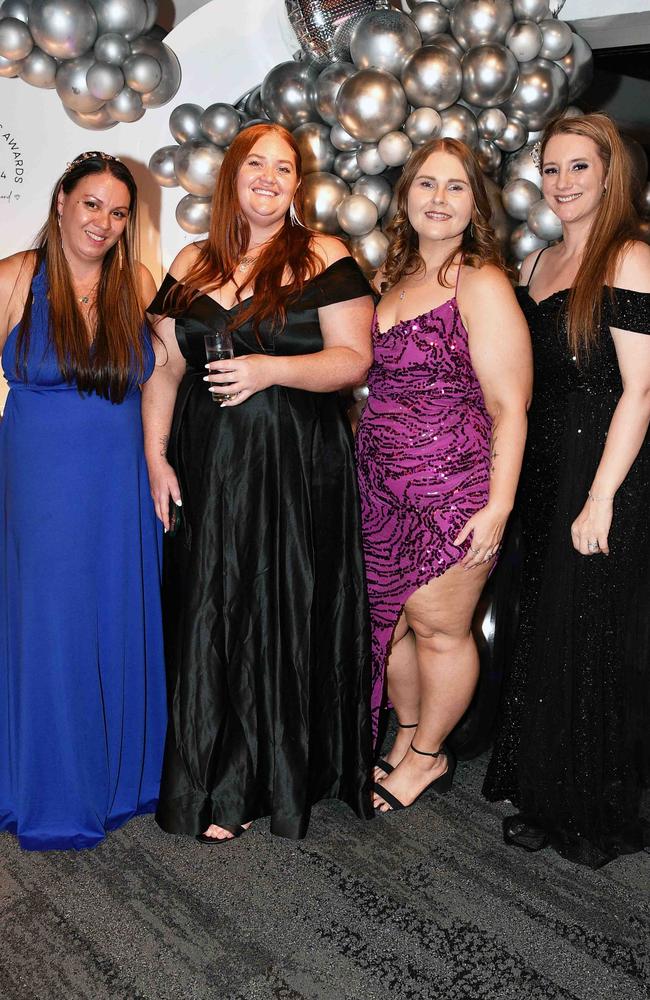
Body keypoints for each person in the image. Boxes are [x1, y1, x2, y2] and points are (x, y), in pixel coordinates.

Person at [144, 122, 375, 843]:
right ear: (232, 177)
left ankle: (267, 777)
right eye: (256, 164)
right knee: (211, 604)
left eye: (284, 168)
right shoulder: (191, 259)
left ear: (297, 185)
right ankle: (211, 772)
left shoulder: (323, 255)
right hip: (208, 462)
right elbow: (165, 369)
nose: (269, 177)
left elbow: (353, 360)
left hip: (296, 466)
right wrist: (155, 454)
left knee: (281, 605)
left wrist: (271, 369)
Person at [483, 112, 650, 868]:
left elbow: (642, 392)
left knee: (595, 631)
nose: (562, 182)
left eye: (579, 167)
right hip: (547, 468)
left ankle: (595, 804)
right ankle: (549, 785)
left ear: (610, 174)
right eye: (551, 168)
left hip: (606, 469)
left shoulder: (631, 257)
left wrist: (602, 496)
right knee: (549, 623)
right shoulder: (538, 261)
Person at [355, 138, 532, 813]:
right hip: (380, 486)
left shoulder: (479, 280)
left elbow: (509, 405)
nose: (438, 198)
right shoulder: (392, 281)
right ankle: (406, 734)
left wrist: (499, 506)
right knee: (388, 628)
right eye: (426, 184)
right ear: (406, 198)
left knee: (439, 630)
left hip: (455, 491)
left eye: (455, 187)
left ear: (474, 205)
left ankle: (428, 758)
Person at [0, 152, 167, 851]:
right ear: (62, 198)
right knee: (51, 624)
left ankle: (118, 779)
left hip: (120, 481)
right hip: (40, 482)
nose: (103, 221)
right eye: (91, 203)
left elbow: (157, 378)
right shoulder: (17, 275)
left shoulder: (138, 282)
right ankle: (48, 787)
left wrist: (157, 461)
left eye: (118, 211)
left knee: (113, 615)